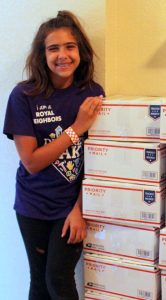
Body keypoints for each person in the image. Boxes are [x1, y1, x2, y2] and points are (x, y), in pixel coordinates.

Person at [3, 10, 104, 300]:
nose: (63, 55)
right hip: (32, 205)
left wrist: (79, 208)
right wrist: (76, 128)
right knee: (39, 282)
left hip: (71, 207)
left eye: (70, 46)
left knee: (57, 278)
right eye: (53, 48)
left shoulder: (93, 95)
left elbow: (100, 163)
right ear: (42, 55)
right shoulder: (23, 96)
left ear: (81, 52)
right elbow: (32, 162)